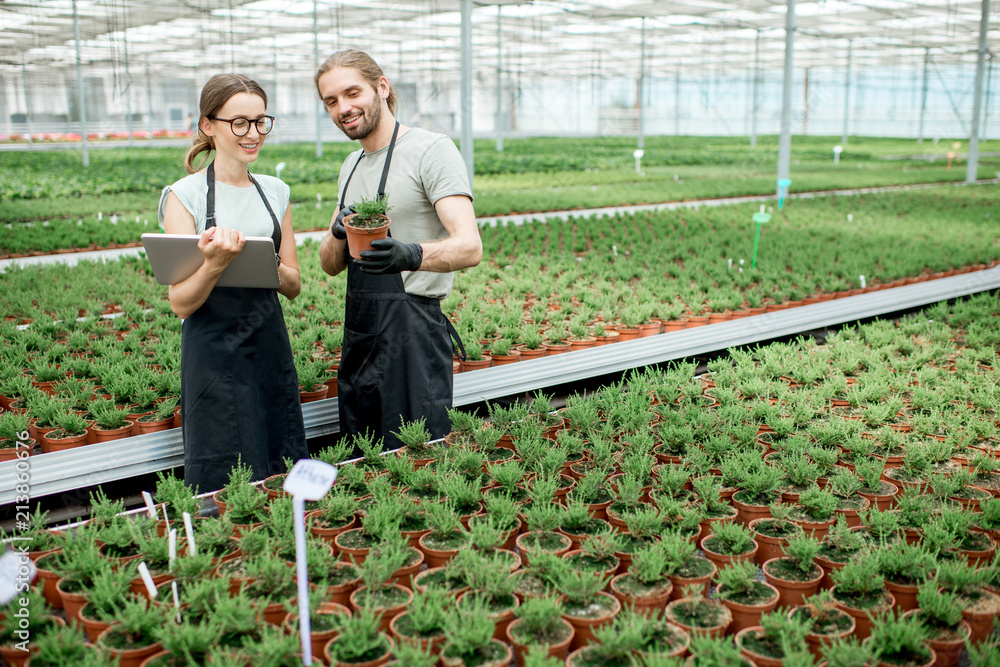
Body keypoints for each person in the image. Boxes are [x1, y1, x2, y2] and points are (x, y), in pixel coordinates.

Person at [315, 50, 482, 450]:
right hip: (361, 332)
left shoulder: (431, 150)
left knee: (416, 456)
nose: (343, 108)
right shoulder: (351, 164)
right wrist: (338, 232)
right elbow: (329, 265)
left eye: (352, 93)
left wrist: (411, 254)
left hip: (413, 336)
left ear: (382, 87)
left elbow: (470, 246)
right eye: (331, 101)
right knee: (363, 454)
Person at [158, 73, 308, 492]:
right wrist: (214, 263)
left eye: (261, 121)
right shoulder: (183, 196)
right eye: (239, 122)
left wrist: (263, 262)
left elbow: (294, 284)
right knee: (221, 461)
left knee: (279, 448)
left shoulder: (275, 192)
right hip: (212, 354)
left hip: (268, 342)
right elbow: (182, 303)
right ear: (209, 125)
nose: (253, 133)